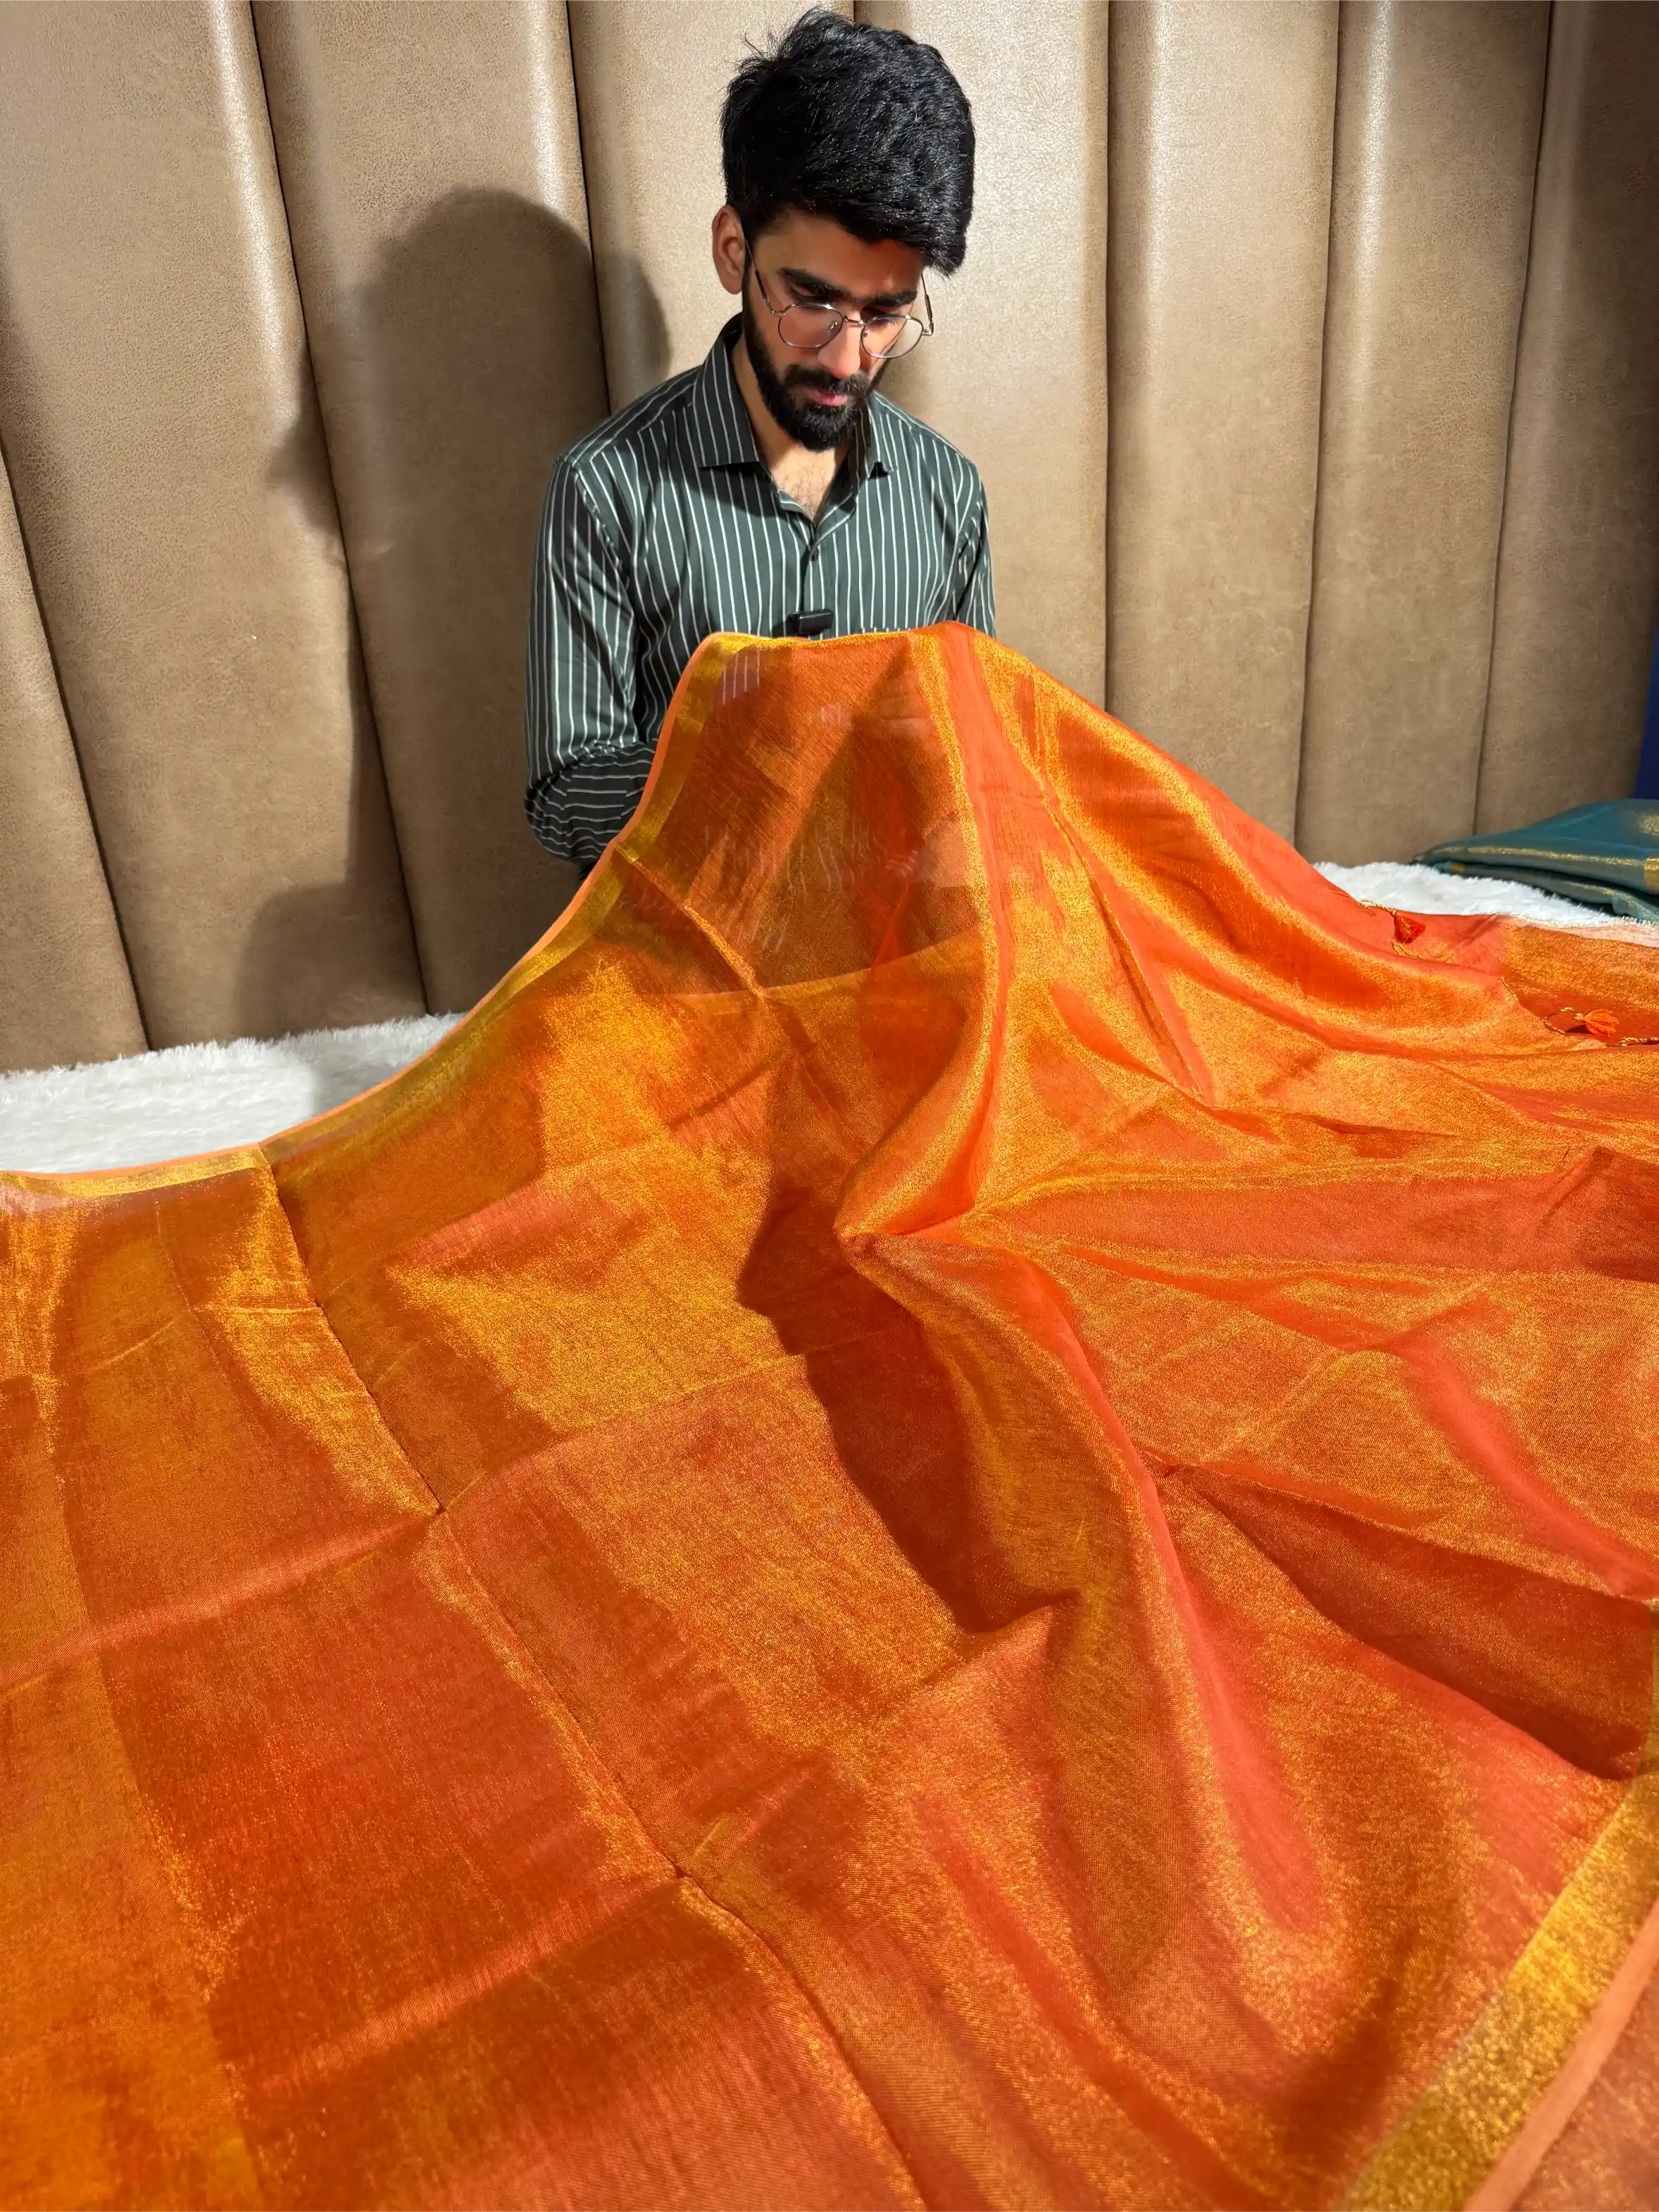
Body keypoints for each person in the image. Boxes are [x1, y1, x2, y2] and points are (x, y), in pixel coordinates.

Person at [525, 8, 993, 874]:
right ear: (734, 251)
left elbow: (975, 755)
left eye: (885, 314)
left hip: (890, 933)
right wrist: (729, 764)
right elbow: (564, 793)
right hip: (692, 939)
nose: (848, 359)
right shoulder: (604, 489)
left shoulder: (948, 491)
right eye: (810, 301)